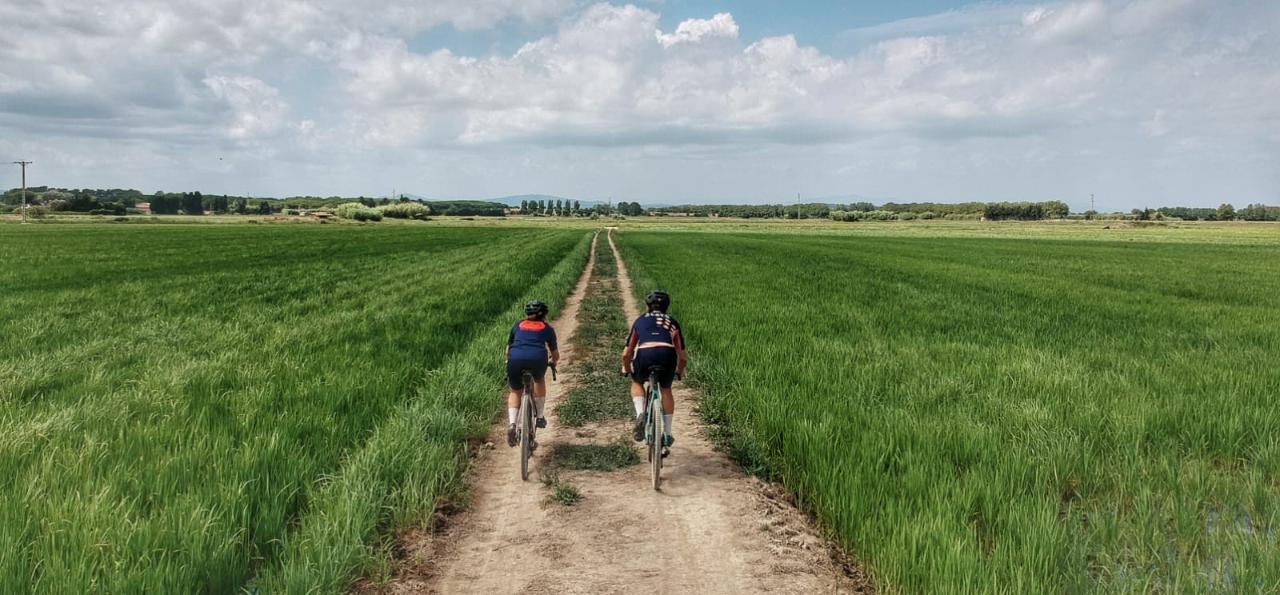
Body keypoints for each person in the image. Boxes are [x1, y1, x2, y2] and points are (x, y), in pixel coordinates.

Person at [621, 289, 687, 456]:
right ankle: (668, 432)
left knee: (637, 382)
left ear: (648, 306)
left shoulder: (640, 321)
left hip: (645, 355)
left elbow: (626, 353)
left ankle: (641, 413)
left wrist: (626, 368)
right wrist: (679, 371)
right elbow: (683, 357)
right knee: (666, 389)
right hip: (667, 355)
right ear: (666, 307)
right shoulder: (672, 322)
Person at [505, 300, 559, 448]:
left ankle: (512, 424)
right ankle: (540, 416)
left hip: (514, 358)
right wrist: (553, 362)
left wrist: (508, 362)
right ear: (544, 314)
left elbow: (508, 349)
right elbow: (555, 354)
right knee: (539, 380)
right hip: (537, 358)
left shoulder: (518, 325)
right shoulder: (547, 328)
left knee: (516, 391)